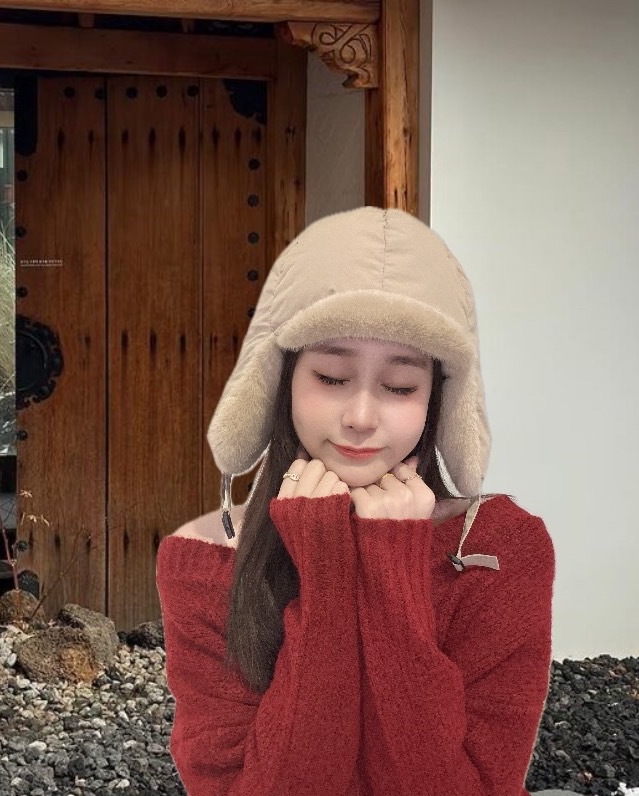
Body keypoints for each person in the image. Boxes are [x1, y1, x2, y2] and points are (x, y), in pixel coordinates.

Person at [156, 206, 555, 796]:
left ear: (438, 398)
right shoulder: (203, 560)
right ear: (281, 380)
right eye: (331, 377)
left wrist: (391, 564)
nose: (361, 417)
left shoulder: (497, 548)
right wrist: (328, 573)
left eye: (400, 386)